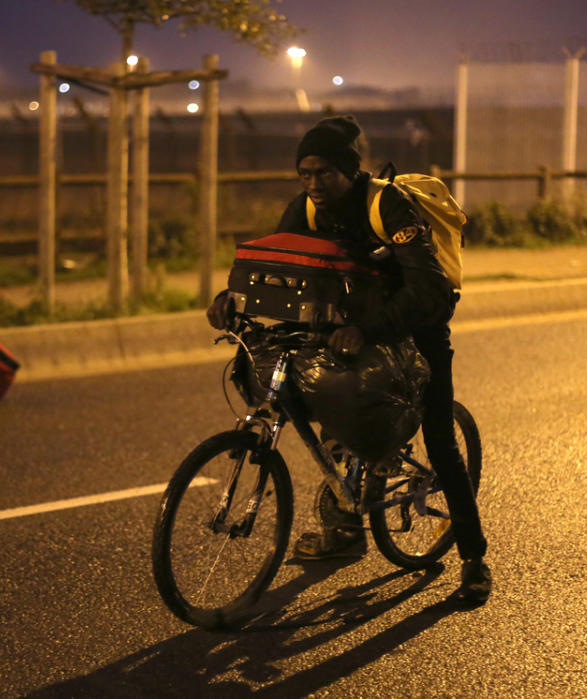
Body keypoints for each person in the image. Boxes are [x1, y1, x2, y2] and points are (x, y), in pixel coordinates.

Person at [207, 115, 492, 604]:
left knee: (440, 437)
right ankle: (346, 530)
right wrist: (233, 298)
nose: (314, 184)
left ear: (348, 170)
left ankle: (474, 561)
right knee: (329, 400)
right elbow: (279, 265)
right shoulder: (307, 208)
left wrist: (369, 329)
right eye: (305, 174)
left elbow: (428, 290)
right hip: (352, 321)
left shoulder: (388, 205)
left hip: (416, 322)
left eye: (325, 174)